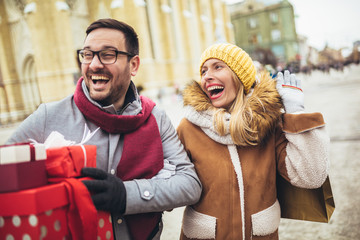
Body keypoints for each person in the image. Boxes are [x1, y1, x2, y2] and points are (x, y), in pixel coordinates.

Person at [6, 18, 201, 240]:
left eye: (108, 54)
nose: (95, 64)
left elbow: (189, 184)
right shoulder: (48, 116)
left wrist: (127, 195)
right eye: (87, 54)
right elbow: (6, 173)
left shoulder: (156, 118)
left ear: (134, 65)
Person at [177, 43, 329, 240]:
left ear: (240, 77)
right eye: (204, 70)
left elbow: (311, 176)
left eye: (218, 66)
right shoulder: (188, 128)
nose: (206, 76)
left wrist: (296, 111)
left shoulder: (269, 125)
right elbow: (170, 185)